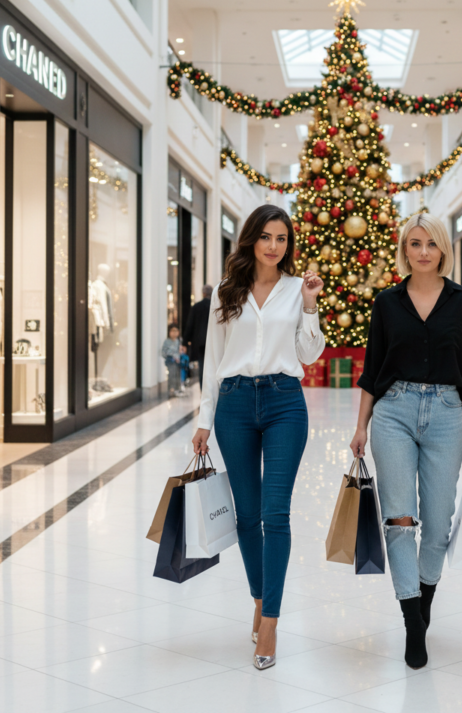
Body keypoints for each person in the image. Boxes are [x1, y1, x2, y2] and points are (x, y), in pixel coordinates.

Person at [350, 212, 462, 671]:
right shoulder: (387, 303)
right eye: (415, 244)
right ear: (404, 249)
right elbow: (372, 369)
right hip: (394, 411)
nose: (423, 252)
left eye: (431, 244)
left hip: (448, 415)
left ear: (443, 249)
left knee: (438, 522)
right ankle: (414, 621)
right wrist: (361, 426)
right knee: (399, 520)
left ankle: (422, 603)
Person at [191, 204, 325, 671]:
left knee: (275, 514)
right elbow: (213, 359)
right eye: (266, 237)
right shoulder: (227, 292)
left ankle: (270, 618)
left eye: (282, 239)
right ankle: (258, 595)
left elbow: (308, 354)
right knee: (246, 516)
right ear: (251, 239)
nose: (274, 246)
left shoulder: (296, 290)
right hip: (234, 404)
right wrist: (204, 419)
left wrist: (309, 306)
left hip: (285, 401)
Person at [183, 284, 213, 389]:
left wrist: (185, 342)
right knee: (213, 367)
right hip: (213, 342)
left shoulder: (197, 307)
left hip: (200, 342)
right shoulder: (215, 306)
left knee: (202, 367)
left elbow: (190, 325)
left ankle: (203, 391)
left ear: (203, 293)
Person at [161, 323, 186, 397]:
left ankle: (177, 389)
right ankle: (171, 389)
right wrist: (172, 356)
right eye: (172, 331)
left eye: (176, 331)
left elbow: (181, 351)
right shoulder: (167, 341)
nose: (174, 332)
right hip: (170, 361)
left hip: (178, 362)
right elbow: (164, 352)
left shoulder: (179, 341)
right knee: (171, 375)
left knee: (178, 375)